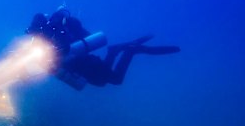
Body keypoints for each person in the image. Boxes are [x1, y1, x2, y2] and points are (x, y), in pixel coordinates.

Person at [26, 7, 180, 90]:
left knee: (115, 80)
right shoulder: (44, 41)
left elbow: (71, 44)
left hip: (85, 64)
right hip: (80, 68)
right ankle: (116, 51)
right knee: (105, 82)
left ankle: (130, 50)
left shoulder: (57, 31)